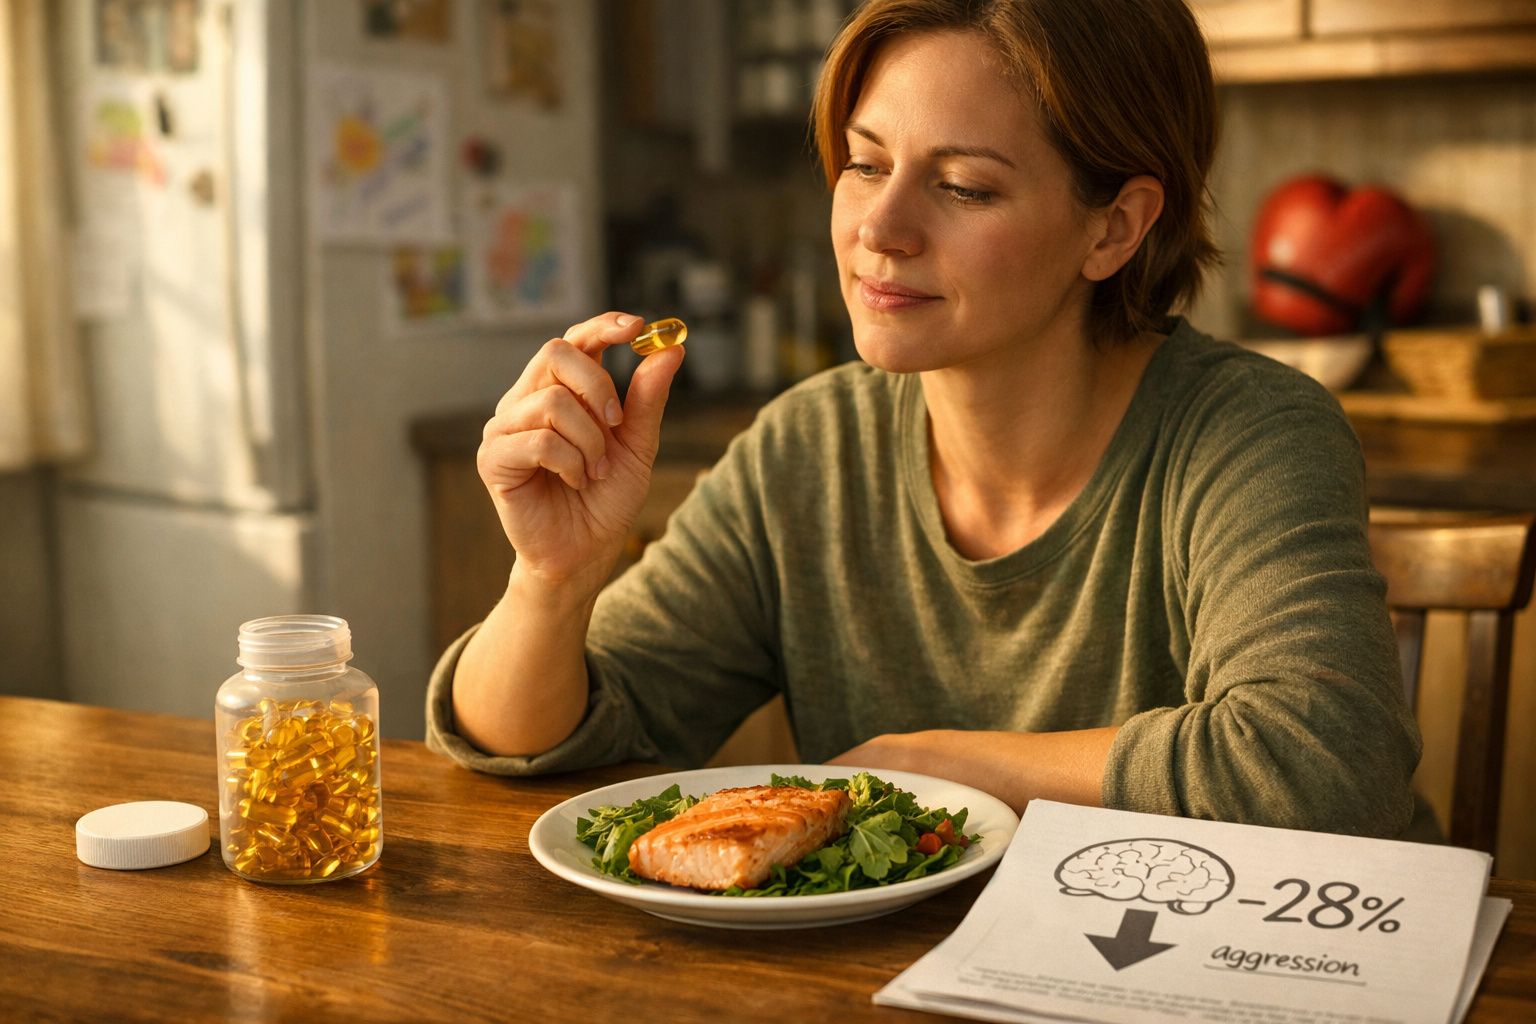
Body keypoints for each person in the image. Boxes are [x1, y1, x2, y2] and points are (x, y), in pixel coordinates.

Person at [427, 0, 1423, 838]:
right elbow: (535, 747)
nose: (879, 228)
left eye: (962, 186)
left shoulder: (1247, 433)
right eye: (867, 164)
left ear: (1114, 226)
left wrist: (931, 763)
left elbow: (1322, 764)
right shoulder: (808, 449)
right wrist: (551, 582)